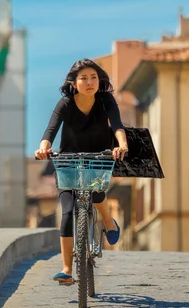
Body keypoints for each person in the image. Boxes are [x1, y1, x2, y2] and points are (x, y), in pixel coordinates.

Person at [35, 58, 129, 285]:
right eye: (84, 78)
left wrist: (122, 145)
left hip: (98, 157)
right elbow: (51, 130)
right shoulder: (66, 103)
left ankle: (108, 220)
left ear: (99, 80)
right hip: (69, 159)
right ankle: (67, 269)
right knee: (67, 212)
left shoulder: (106, 100)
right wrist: (43, 148)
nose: (89, 82)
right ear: (74, 83)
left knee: (96, 193)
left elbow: (117, 125)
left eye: (93, 77)